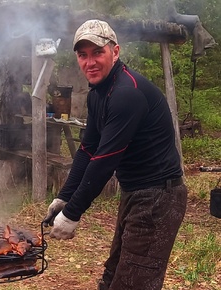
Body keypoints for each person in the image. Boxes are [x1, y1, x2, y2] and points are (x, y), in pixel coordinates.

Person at [42, 19, 187, 290]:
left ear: (115, 52)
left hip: (159, 196)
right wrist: (65, 195)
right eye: (83, 55)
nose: (90, 62)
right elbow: (88, 150)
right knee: (114, 275)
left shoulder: (126, 93)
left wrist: (73, 213)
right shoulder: (98, 94)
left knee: (133, 282)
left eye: (98, 52)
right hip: (136, 193)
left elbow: (105, 160)